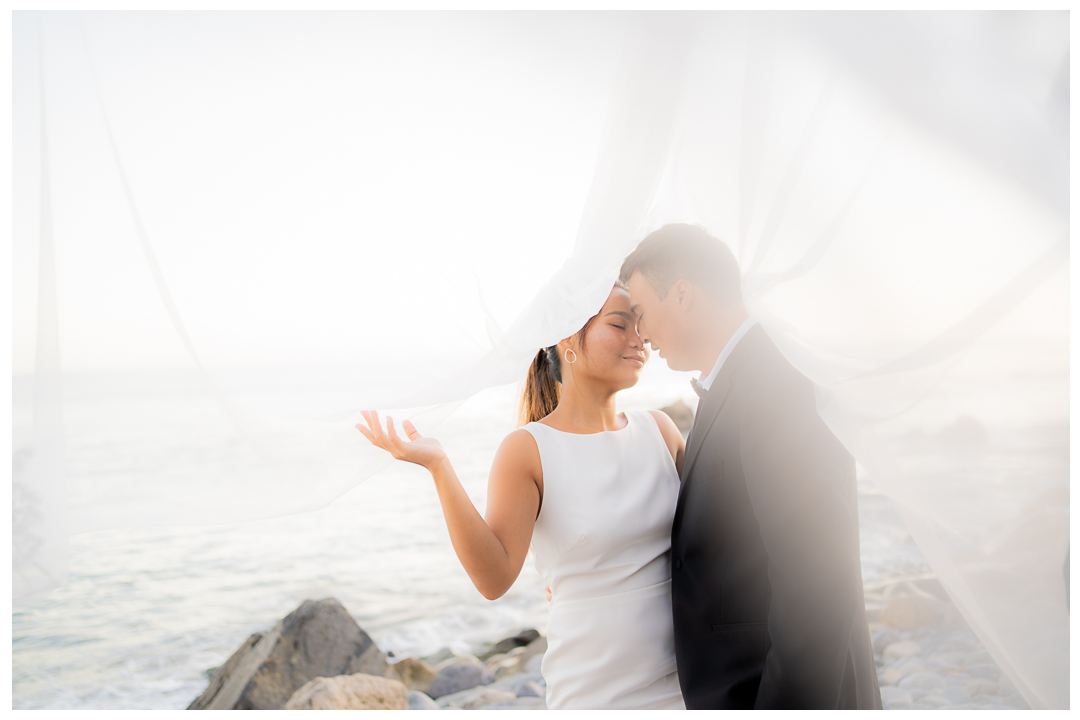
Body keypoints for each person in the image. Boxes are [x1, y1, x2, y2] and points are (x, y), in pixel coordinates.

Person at [356, 284, 686, 709]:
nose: (637, 337)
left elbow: (711, 544)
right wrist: (439, 467)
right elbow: (494, 580)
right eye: (619, 324)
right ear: (568, 338)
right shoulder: (528, 449)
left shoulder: (660, 431)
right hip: (595, 694)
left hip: (685, 683)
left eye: (639, 325)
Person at [619, 223, 882, 710]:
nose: (641, 334)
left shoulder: (778, 383)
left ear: (682, 295)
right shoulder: (738, 381)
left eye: (639, 313)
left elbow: (818, 583)